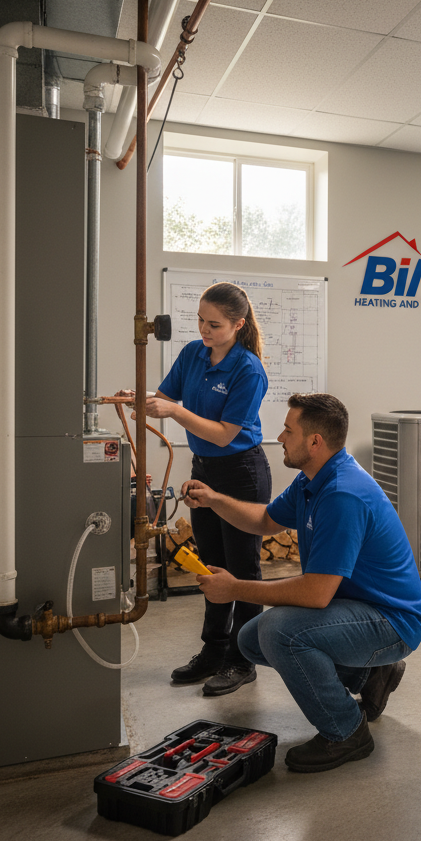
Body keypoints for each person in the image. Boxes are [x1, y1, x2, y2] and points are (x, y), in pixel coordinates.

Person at [181, 393, 421, 773]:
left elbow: (315, 593)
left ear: (315, 442)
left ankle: (346, 732)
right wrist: (215, 500)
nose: (280, 437)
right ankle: (370, 675)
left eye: (288, 430)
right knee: (250, 639)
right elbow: (265, 520)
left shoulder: (342, 494)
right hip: (357, 607)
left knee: (281, 631)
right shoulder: (313, 479)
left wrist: (235, 589)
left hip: (392, 621)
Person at [122, 282, 271, 697]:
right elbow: (164, 397)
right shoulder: (193, 354)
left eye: (215, 324)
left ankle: (244, 659)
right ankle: (213, 650)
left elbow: (225, 435)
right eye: (201, 321)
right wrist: (135, 399)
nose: (205, 330)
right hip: (204, 470)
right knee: (209, 565)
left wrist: (175, 411)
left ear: (238, 325)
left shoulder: (247, 368)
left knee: (242, 570)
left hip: (241, 471)